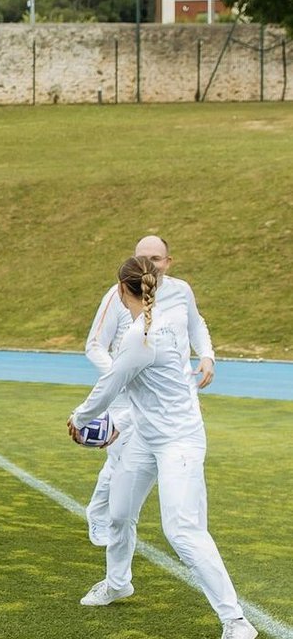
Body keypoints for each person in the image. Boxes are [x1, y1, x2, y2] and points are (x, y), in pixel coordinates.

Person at [69, 255, 257, 639]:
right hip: (146, 437)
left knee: (183, 530)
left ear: (122, 291)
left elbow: (110, 384)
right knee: (118, 513)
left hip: (180, 441)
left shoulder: (140, 335)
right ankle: (118, 582)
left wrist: (78, 418)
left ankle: (235, 620)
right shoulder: (162, 319)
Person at [84, 234, 214, 547]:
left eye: (156, 259)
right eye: (143, 257)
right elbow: (94, 346)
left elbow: (196, 325)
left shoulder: (181, 290)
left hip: (175, 398)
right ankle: (99, 516)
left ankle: (193, 529)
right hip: (127, 397)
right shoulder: (118, 295)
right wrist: (124, 375)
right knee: (119, 460)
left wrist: (207, 354)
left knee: (185, 460)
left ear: (168, 262)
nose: (149, 264)